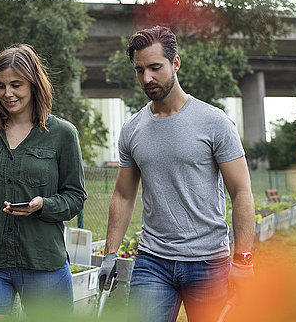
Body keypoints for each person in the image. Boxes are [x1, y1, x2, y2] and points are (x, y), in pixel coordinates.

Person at [98, 26, 255, 321]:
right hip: (152, 261)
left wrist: (243, 260)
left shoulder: (214, 122)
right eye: (140, 70)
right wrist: (110, 254)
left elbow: (241, 191)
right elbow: (123, 194)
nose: (147, 78)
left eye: (155, 68)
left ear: (176, 63)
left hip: (209, 262)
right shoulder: (132, 129)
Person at [0, 44, 86, 321]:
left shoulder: (62, 134)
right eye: (0, 86)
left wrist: (42, 205)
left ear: (34, 85)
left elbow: (75, 197)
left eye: (16, 84)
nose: (7, 93)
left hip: (43, 263)